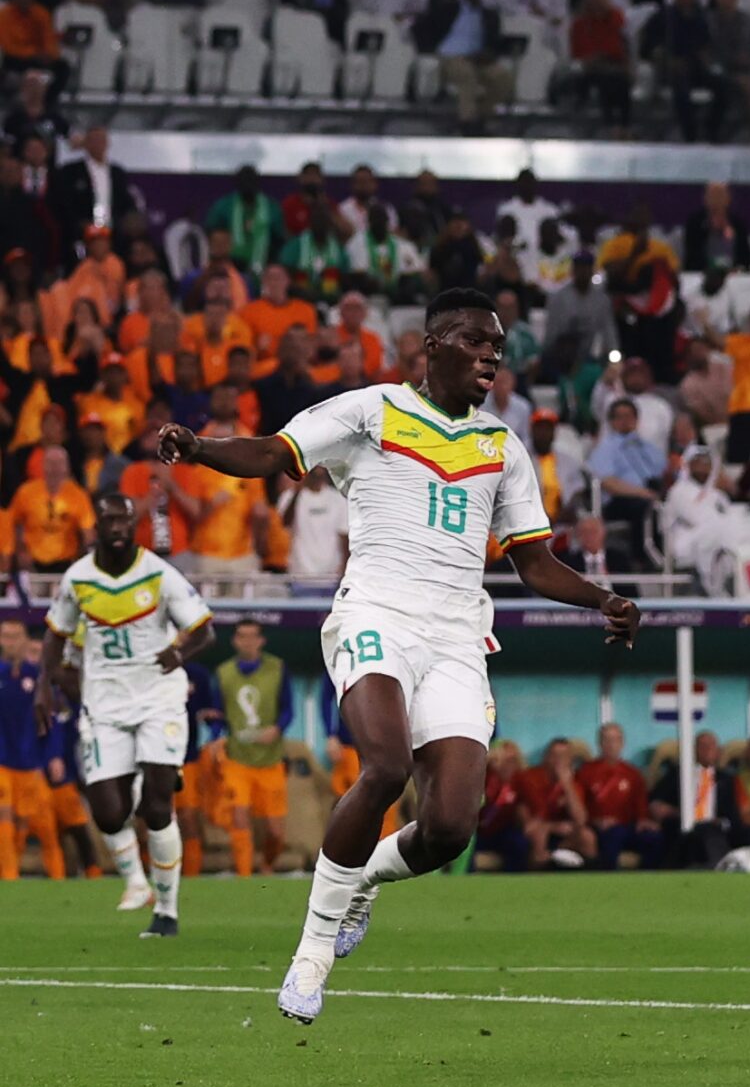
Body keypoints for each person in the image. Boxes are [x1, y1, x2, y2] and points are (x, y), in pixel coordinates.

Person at [153, 287, 641, 1025]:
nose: (491, 355)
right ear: (433, 345)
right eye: (475, 341)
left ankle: (362, 881)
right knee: (384, 766)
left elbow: (533, 562)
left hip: (456, 636)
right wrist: (200, 450)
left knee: (450, 826)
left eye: (497, 345)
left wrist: (604, 598)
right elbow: (275, 451)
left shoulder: (503, 447)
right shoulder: (372, 410)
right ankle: (312, 954)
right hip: (376, 612)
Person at [37, 492, 216, 936]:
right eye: (110, 521)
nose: (118, 528)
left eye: (125, 521)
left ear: (135, 526)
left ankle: (167, 911)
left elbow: (204, 630)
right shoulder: (78, 578)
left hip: (158, 697)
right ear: (96, 526)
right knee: (108, 814)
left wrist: (179, 654)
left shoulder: (158, 573)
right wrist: (44, 688)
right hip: (105, 703)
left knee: (157, 806)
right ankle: (136, 882)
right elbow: (55, 637)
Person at [214, 620, 294, 875]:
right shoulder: (224, 672)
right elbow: (218, 713)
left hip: (270, 760)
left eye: (252, 636)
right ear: (234, 641)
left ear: (261, 640)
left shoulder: (277, 668)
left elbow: (288, 709)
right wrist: (216, 736)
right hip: (237, 759)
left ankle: (267, 865)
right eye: (242, 636)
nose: (247, 641)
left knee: (275, 831)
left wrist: (277, 728)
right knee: (239, 818)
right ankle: (244, 876)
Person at [577, 723, 660, 869]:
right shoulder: (585, 772)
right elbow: (578, 807)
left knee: (654, 838)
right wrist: (595, 821)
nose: (611, 745)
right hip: (600, 828)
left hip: (628, 827)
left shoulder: (633, 774)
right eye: (606, 740)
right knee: (614, 835)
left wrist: (643, 820)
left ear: (622, 743)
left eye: (616, 740)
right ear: (599, 743)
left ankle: (648, 879)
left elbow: (641, 806)